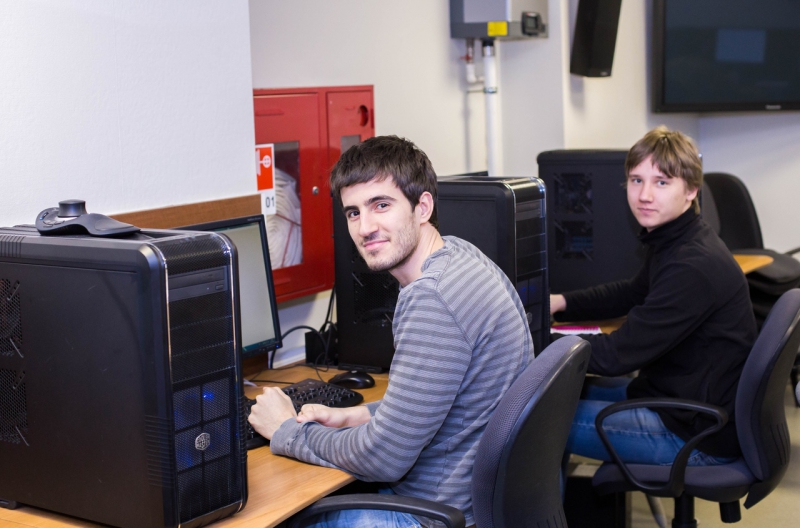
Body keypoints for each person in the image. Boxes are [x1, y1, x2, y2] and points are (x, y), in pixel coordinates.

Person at [248, 135, 533, 527]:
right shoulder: (461, 256)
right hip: (476, 501)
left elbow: (384, 458)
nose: (365, 227)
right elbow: (433, 406)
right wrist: (355, 416)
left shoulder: (433, 299)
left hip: (437, 515)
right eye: (353, 213)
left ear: (423, 207)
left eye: (381, 205)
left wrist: (285, 431)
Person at [551, 126, 757, 467]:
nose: (644, 195)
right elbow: (631, 292)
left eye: (661, 182)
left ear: (691, 190)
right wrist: (562, 302)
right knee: (547, 394)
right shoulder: (677, 239)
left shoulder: (692, 266)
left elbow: (616, 356)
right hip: (680, 399)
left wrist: (534, 343)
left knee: (532, 420)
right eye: (636, 180)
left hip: (696, 435)